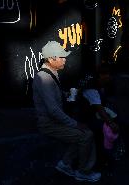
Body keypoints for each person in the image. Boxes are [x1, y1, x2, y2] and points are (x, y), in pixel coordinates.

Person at [32, 40, 101, 182]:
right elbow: (53, 110)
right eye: (61, 57)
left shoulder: (51, 73)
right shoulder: (44, 78)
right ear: (51, 59)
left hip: (54, 121)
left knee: (84, 132)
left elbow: (52, 100)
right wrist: (74, 124)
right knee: (86, 135)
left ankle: (65, 164)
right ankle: (83, 171)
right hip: (49, 124)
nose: (65, 59)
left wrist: (65, 95)